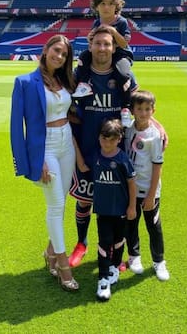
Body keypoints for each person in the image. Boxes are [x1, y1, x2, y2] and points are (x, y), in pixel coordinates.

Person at [68, 25, 168, 268]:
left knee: (119, 204)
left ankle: (116, 251)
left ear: (114, 48)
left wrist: (158, 125)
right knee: (84, 200)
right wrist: (78, 154)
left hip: (118, 153)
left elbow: (140, 107)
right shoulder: (78, 76)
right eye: (98, 43)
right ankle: (81, 243)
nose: (102, 48)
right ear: (90, 46)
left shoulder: (123, 77)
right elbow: (66, 115)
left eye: (107, 44)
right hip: (87, 148)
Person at [10, 34, 79, 292]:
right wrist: (31, 161)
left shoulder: (65, 80)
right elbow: (17, 128)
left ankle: (50, 252)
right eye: (56, 50)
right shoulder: (25, 82)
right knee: (56, 205)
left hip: (66, 142)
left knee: (61, 203)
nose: (59, 56)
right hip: (45, 147)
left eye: (64, 54)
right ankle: (63, 265)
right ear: (46, 49)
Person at [72, 0, 134, 128]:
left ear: (117, 6)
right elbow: (93, 40)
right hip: (104, 52)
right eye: (103, 4)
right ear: (97, 6)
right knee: (83, 57)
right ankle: (84, 85)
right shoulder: (97, 22)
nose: (107, 7)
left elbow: (124, 44)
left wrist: (112, 31)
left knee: (122, 73)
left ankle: (125, 108)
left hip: (120, 54)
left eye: (111, 4)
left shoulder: (122, 22)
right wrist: (90, 38)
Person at [124, 90, 170, 281]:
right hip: (130, 190)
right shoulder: (127, 130)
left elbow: (157, 166)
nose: (143, 113)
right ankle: (134, 256)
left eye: (147, 109)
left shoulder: (155, 135)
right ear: (132, 111)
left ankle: (159, 262)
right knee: (131, 223)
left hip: (149, 191)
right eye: (139, 109)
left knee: (153, 226)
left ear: (153, 110)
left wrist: (151, 195)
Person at [92, 118, 137, 301]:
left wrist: (132, 206)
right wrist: (72, 142)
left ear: (119, 139)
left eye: (112, 140)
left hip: (120, 210)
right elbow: (81, 165)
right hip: (103, 211)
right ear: (99, 138)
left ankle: (114, 267)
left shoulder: (122, 159)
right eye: (104, 139)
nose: (107, 143)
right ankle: (103, 279)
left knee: (119, 241)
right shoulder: (95, 157)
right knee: (104, 242)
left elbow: (132, 184)